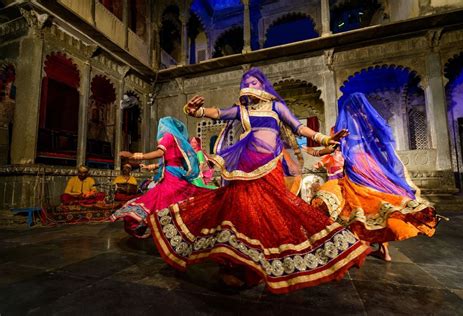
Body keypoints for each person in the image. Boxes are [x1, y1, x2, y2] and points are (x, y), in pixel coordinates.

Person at [147, 68, 370, 294]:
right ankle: (237, 266)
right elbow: (218, 113)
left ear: (263, 86)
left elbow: (298, 127)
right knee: (240, 212)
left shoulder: (275, 107)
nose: (249, 86)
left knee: (268, 212)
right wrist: (195, 111)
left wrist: (325, 138)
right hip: (244, 168)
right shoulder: (242, 110)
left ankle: (259, 265)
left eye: (254, 82)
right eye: (246, 83)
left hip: (268, 168)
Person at [310, 93, 438, 261]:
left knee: (361, 204)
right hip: (372, 164)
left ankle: (361, 247)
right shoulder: (368, 123)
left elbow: (333, 148)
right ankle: (385, 252)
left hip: (356, 165)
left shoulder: (342, 126)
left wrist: (314, 152)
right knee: (378, 203)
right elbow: (383, 140)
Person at [110, 117, 213, 238]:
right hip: (177, 173)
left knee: (159, 198)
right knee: (172, 199)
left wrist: (135, 155)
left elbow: (160, 153)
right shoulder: (179, 142)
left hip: (170, 174)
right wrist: (152, 167)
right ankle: (164, 225)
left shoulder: (168, 136)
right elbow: (170, 160)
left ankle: (148, 222)